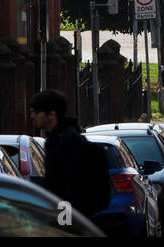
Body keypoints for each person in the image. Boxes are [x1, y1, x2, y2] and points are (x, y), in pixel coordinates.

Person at [29, 89, 108, 217]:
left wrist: (63, 220)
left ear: (51, 114)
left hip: (70, 218)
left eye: (37, 112)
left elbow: (70, 188)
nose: (33, 116)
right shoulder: (56, 140)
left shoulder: (67, 142)